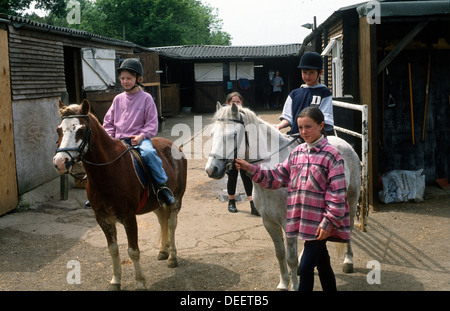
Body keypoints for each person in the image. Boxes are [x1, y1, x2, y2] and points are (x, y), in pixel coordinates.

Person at [235, 107, 350, 291]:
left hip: (320, 223)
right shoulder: (297, 153)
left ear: (321, 126)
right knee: (323, 264)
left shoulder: (332, 156)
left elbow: (338, 194)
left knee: (304, 268)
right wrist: (250, 168)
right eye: (301, 127)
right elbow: (277, 176)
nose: (304, 132)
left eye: (309, 127)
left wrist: (329, 222)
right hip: (304, 221)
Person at [103, 58, 176, 206]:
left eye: (128, 78)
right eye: (122, 78)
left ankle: (162, 187)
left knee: (149, 154)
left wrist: (141, 136)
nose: (125, 81)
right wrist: (110, 139)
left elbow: (152, 124)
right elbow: (108, 123)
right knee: (102, 158)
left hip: (139, 140)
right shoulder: (118, 99)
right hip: (118, 141)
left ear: (138, 79)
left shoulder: (146, 98)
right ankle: (100, 191)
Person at [274, 52, 334, 136]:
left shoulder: (324, 93)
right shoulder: (294, 94)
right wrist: (279, 126)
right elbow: (288, 117)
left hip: (315, 139)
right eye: (304, 72)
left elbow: (325, 120)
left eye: (311, 72)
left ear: (320, 73)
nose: (307, 76)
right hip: (295, 137)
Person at [224, 92, 259, 216]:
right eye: (233, 102)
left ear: (242, 103)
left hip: (245, 151)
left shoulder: (246, 116)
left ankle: (252, 204)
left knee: (247, 176)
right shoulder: (225, 119)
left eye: (238, 102)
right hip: (231, 153)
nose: (236, 104)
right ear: (228, 103)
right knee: (232, 176)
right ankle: (231, 201)